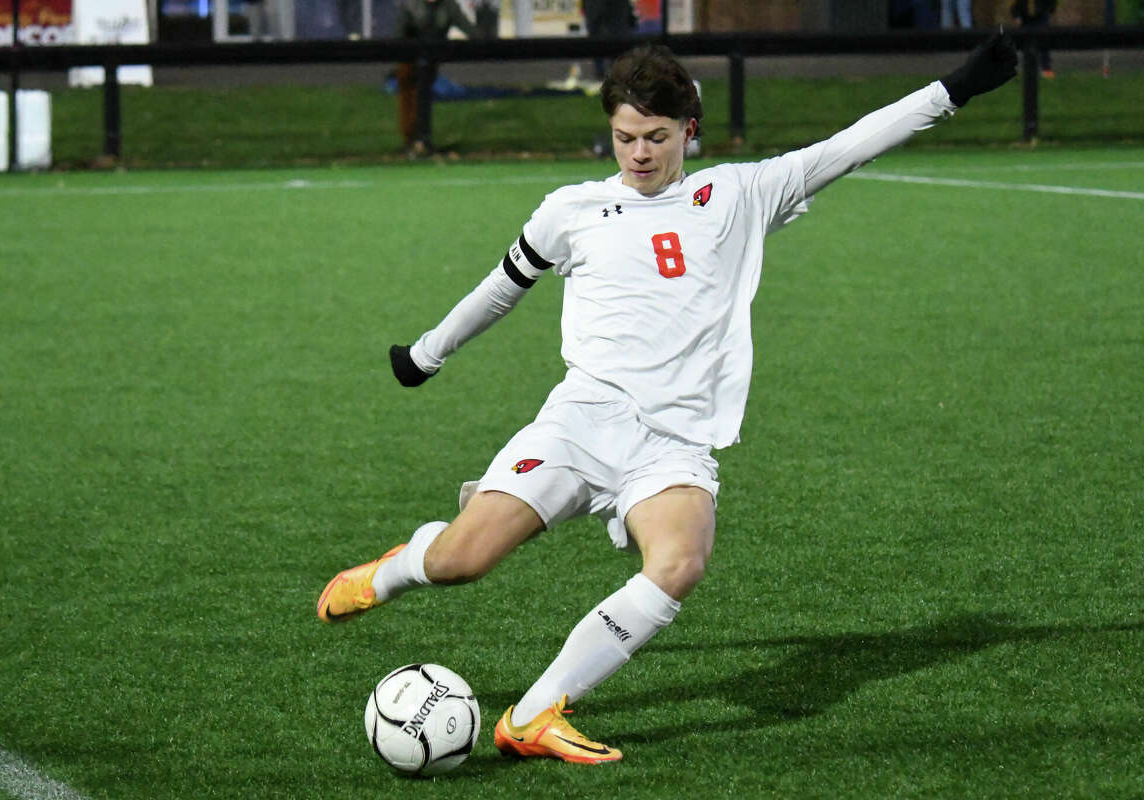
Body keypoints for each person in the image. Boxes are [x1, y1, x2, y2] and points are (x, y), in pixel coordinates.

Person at [317, 36, 1018, 764]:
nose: (640, 153)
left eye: (656, 136)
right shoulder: (572, 210)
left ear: (690, 129)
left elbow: (853, 144)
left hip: (673, 444)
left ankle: (534, 715)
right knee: (463, 561)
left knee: (679, 561)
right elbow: (503, 288)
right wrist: (427, 354)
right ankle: (391, 570)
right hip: (580, 423)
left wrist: (958, 86)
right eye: (624, 137)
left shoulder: (741, 194)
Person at [392, 0, 480, 155]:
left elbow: (470, 30)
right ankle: (413, 140)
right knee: (410, 94)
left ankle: (422, 140)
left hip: (431, 59)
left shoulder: (449, 6)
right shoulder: (412, 6)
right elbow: (398, 36)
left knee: (423, 93)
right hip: (409, 58)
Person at [1012, 0, 1057, 77]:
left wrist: (1049, 12)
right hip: (1025, 19)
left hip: (1041, 18)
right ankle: (1027, 70)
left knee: (1043, 42)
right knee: (1025, 44)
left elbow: (1052, 3)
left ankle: (1046, 69)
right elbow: (1016, 6)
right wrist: (1017, 16)